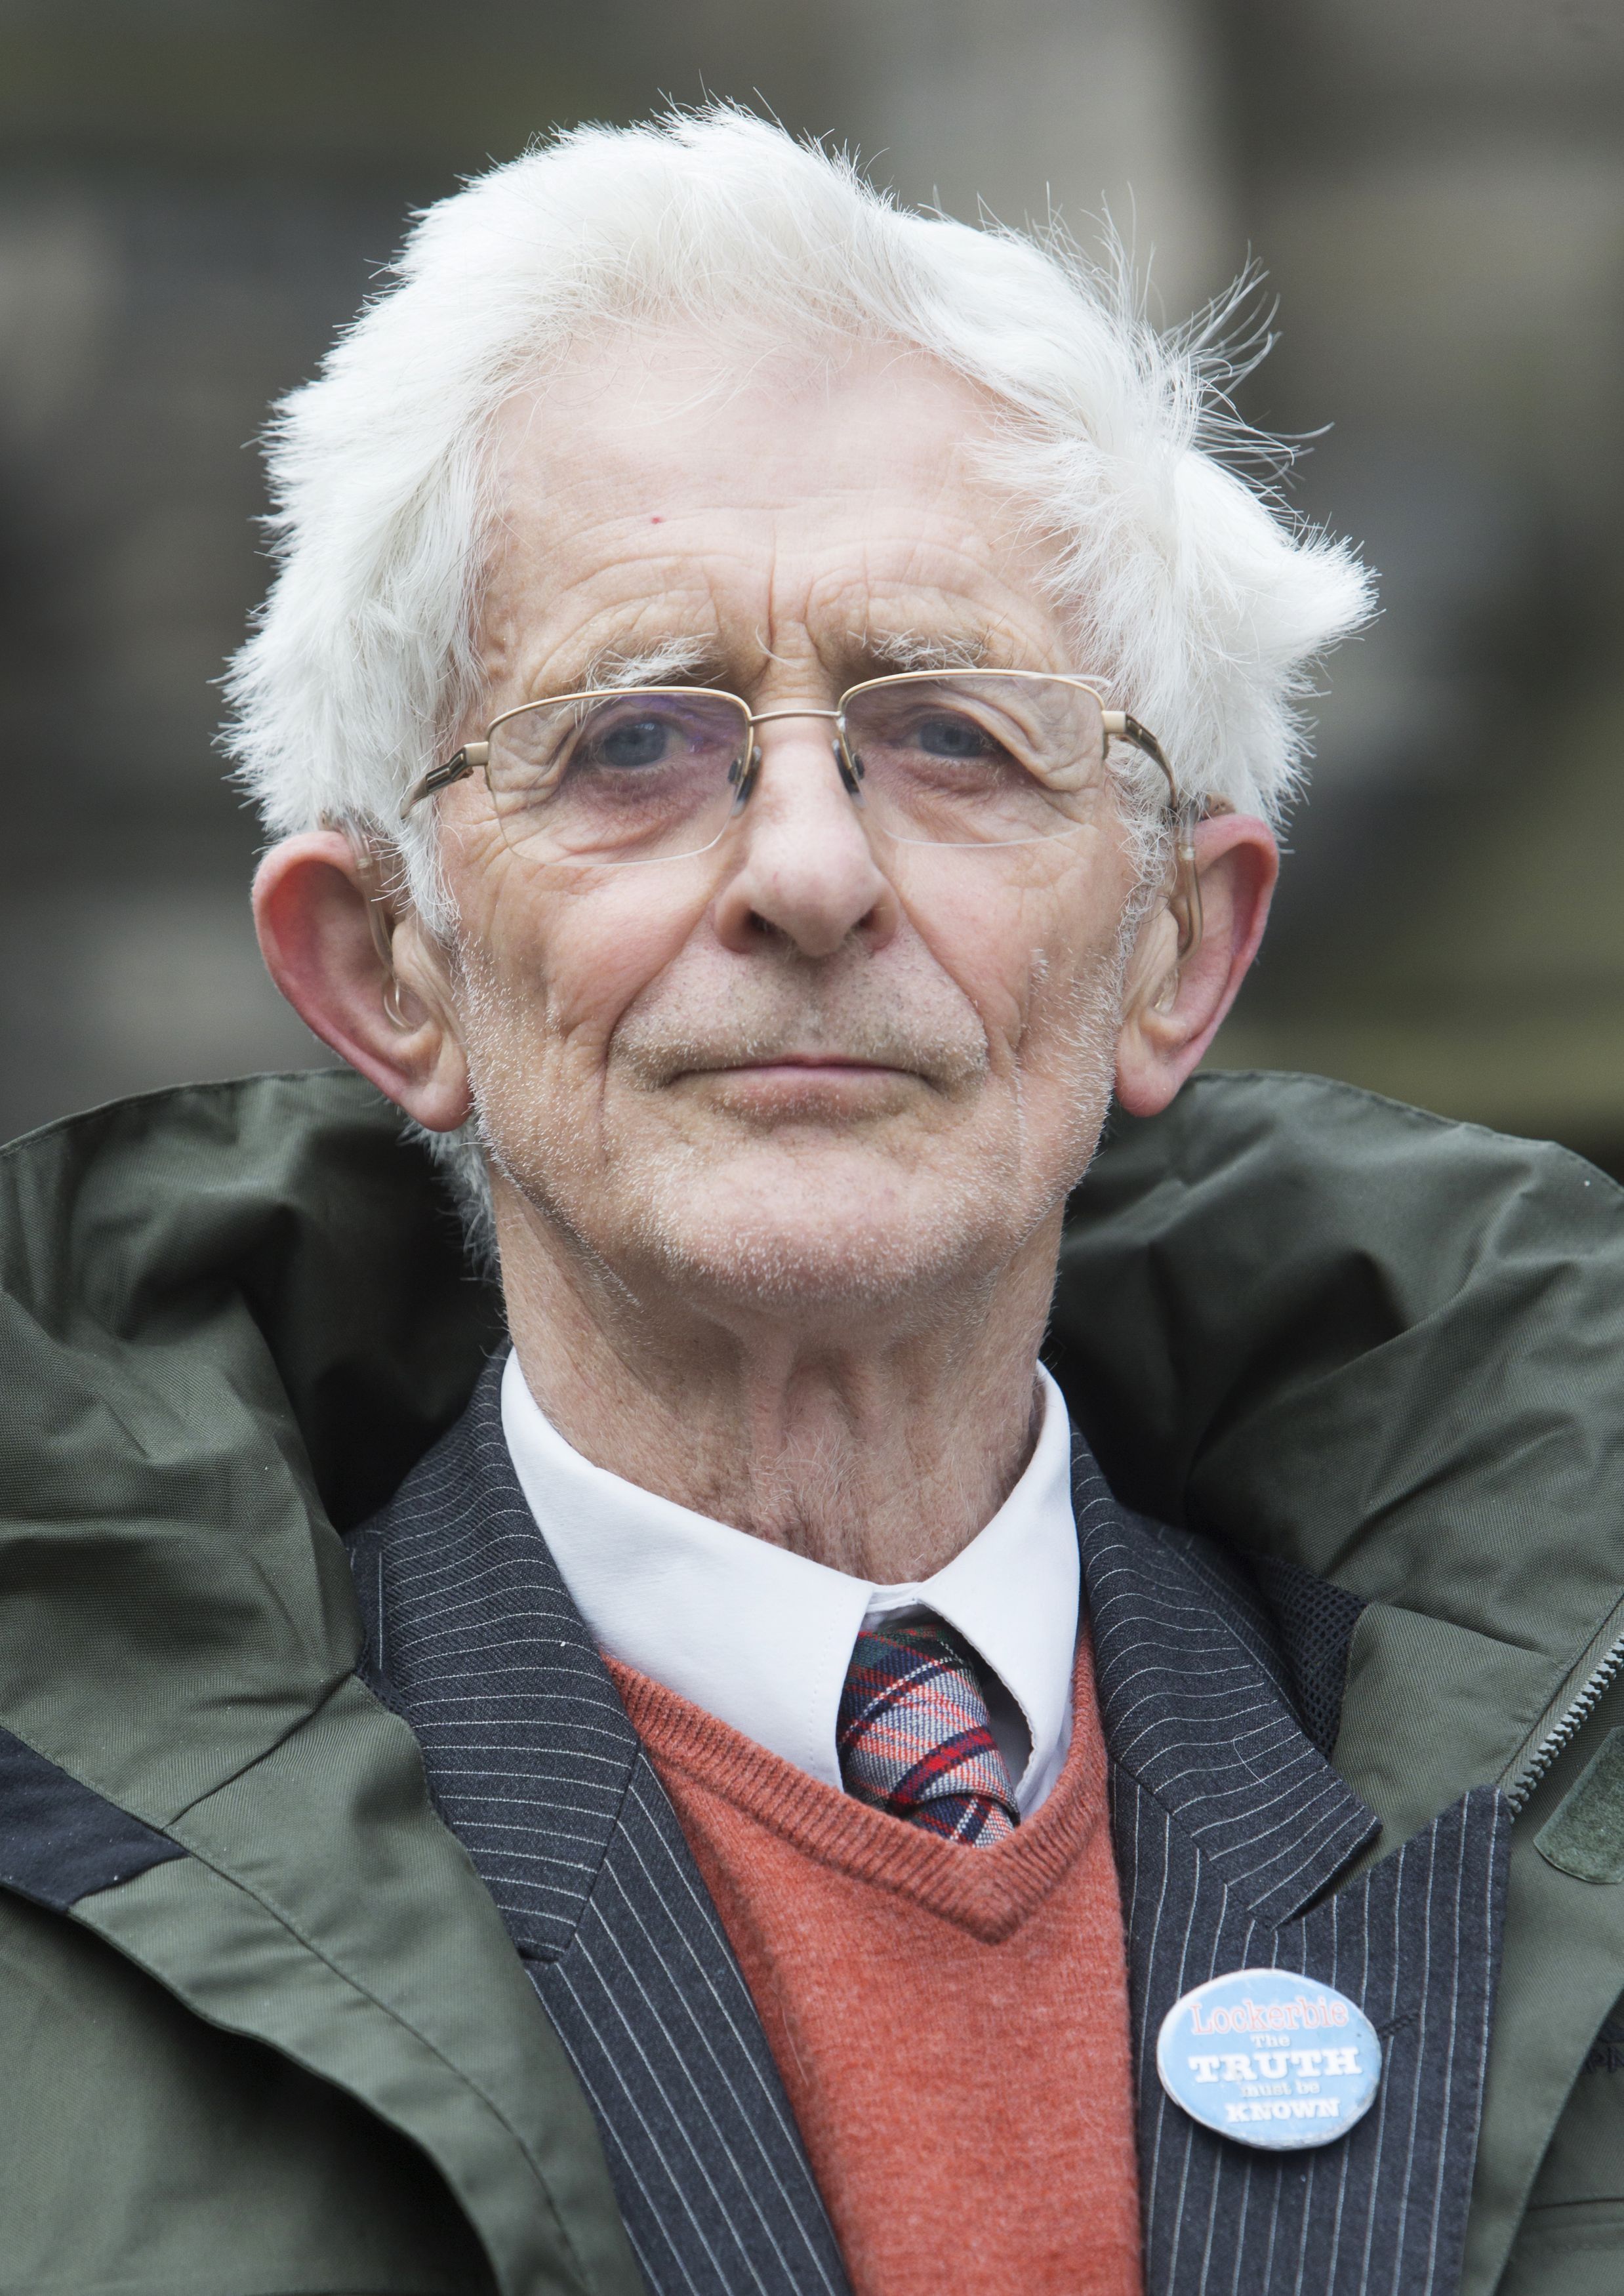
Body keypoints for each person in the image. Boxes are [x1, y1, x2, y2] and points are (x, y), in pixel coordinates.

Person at [3, 106, 1622, 2296]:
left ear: (1174, 948)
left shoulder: (1554, 1797)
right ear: (390, 968)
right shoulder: (63, 1936)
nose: (806, 870)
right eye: (628, 742)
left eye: (954, 734)